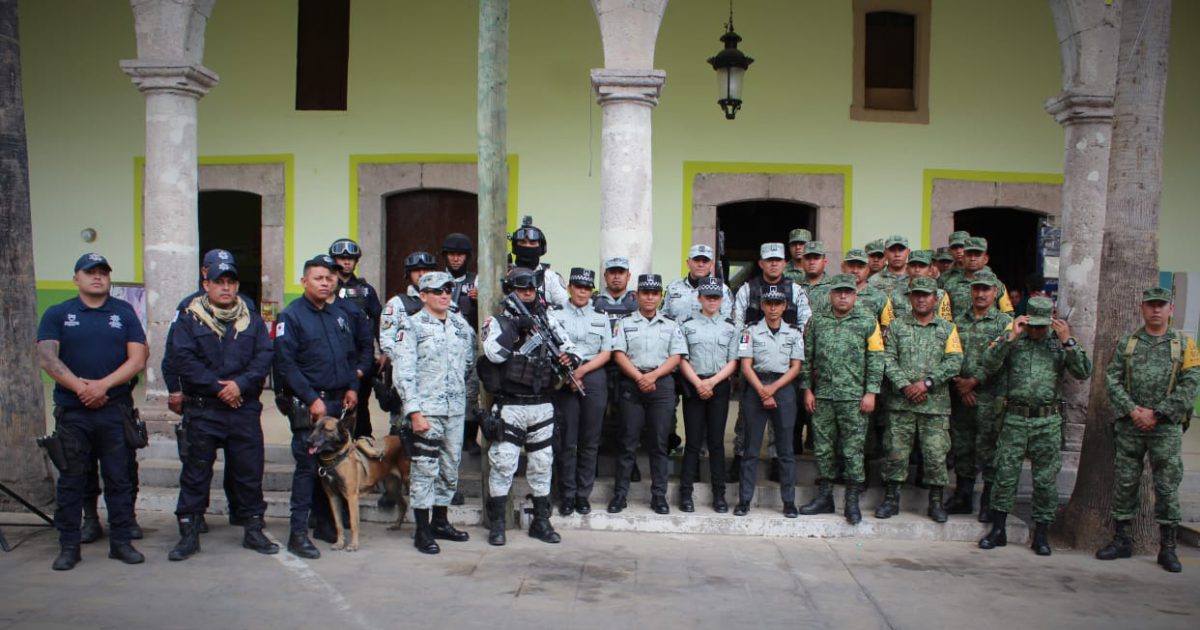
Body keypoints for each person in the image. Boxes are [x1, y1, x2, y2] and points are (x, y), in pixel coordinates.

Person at [37, 253, 148, 570]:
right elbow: (47, 358)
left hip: (115, 411)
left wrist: (102, 386)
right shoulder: (59, 313)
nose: (97, 277)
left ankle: (121, 542)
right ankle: (69, 546)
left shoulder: (124, 312)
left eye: (102, 272)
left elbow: (137, 359)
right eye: (90, 272)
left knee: (120, 479)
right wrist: (81, 388)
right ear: (76, 278)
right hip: (74, 413)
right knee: (72, 480)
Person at [164, 256, 278, 560]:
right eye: (219, 282)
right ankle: (189, 532)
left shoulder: (251, 319)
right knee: (196, 473)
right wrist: (219, 388)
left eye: (231, 282)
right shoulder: (190, 318)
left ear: (237, 285)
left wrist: (239, 385)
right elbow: (182, 359)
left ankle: (253, 529)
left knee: (249, 472)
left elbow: (264, 356)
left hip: (242, 409)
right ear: (206, 284)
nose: (226, 288)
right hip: (204, 410)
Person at [1095, 287, 1200, 573]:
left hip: (1165, 429)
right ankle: (1121, 540)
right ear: (1142, 308)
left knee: (1166, 487)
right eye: (1151, 305)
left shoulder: (1184, 344)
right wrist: (1133, 410)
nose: (1156, 310)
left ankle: (1168, 548)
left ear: (1170, 309)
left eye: (1161, 305)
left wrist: (1158, 413)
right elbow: (1112, 379)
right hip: (1131, 426)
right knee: (1125, 484)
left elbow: (1191, 383)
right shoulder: (1128, 343)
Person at [978, 297, 1091, 555]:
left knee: (1045, 479)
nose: (1038, 331)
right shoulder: (1014, 339)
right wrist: (1010, 337)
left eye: (1042, 326)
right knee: (1004, 474)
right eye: (1034, 326)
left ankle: (1041, 534)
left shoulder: (1058, 343)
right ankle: (998, 529)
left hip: (1047, 421)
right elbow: (988, 362)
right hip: (1014, 418)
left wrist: (1068, 341)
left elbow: (1083, 371)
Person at [479, 267, 578, 545]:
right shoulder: (498, 322)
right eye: (521, 290)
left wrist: (570, 360)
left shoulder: (547, 320)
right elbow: (493, 354)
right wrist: (515, 328)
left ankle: (541, 521)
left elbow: (571, 349)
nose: (527, 294)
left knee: (542, 463)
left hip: (542, 404)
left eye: (531, 290)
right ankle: (498, 524)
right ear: (510, 291)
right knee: (503, 463)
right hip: (510, 405)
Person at [272, 254, 360, 559]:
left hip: (337, 401)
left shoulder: (338, 315)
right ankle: (298, 533)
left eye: (329, 278)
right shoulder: (292, 316)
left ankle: (326, 526)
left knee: (332, 467)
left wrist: (352, 387)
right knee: (308, 469)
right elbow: (286, 364)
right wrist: (312, 399)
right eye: (319, 278)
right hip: (310, 406)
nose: (326, 282)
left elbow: (348, 357)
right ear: (304, 281)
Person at [395, 271, 477, 554]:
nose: (444, 295)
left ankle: (441, 522)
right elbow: (404, 374)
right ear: (423, 295)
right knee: (424, 469)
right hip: (427, 412)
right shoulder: (412, 326)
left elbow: (469, 364)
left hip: (454, 410)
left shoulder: (460, 326)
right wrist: (414, 412)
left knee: (450, 467)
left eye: (448, 290)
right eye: (437, 290)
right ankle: (422, 529)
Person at [876, 276, 963, 523]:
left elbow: (955, 361)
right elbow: (886, 358)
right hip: (900, 403)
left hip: (934, 406)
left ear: (935, 299)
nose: (922, 299)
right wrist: (905, 385)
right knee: (895, 453)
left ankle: (936, 503)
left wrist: (926, 383)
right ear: (910, 297)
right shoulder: (896, 326)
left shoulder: (947, 329)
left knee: (936, 455)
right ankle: (891, 500)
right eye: (917, 294)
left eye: (926, 295)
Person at [798, 274, 884, 525]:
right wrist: (807, 389)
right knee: (824, 449)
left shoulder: (868, 322)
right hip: (823, 396)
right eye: (838, 292)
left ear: (855, 295)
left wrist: (871, 392)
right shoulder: (818, 322)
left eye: (848, 292)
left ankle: (852, 501)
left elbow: (876, 359)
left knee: (853, 451)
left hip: (854, 398)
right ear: (831, 295)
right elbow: (808, 358)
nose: (843, 296)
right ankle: (825, 498)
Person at [730, 242, 811, 479]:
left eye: (778, 259)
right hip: (752, 363)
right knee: (746, 416)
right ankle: (739, 457)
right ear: (761, 263)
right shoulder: (748, 289)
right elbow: (737, 325)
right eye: (769, 260)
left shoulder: (795, 290)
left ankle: (777, 461)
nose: (774, 263)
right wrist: (739, 360)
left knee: (781, 419)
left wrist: (797, 353)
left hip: (785, 365)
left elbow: (806, 323)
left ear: (784, 263)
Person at [608, 274, 686, 515]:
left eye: (654, 293)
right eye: (645, 293)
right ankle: (620, 495)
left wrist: (651, 377)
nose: (650, 297)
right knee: (627, 442)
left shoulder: (672, 325)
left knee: (659, 444)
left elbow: (676, 356)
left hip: (661, 385)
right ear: (637, 295)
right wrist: (640, 377)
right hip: (633, 382)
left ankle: (659, 496)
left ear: (660, 296)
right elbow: (618, 353)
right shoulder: (624, 323)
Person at [944, 271, 1012, 522]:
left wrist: (973, 382)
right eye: (977, 289)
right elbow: (949, 353)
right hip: (961, 396)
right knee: (962, 446)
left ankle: (988, 501)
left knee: (989, 449)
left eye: (986, 289)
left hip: (989, 397)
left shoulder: (1004, 323)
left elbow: (1002, 359)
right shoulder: (957, 322)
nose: (981, 294)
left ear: (996, 292)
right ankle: (963, 495)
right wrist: (960, 385)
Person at [734, 286, 804, 517]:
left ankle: (789, 502)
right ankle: (744, 500)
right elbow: (745, 365)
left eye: (778, 304)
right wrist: (763, 390)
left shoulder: (794, 333)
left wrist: (772, 389)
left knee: (785, 450)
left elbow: (796, 368)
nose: (773, 308)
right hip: (756, 386)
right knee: (750, 449)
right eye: (769, 303)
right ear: (762, 305)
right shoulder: (750, 331)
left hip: (783, 388)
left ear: (785, 306)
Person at [549, 268, 612, 516]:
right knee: (567, 441)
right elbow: (551, 348)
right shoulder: (554, 315)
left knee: (590, 440)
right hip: (564, 379)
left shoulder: (601, 316)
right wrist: (569, 375)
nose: (582, 292)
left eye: (587, 288)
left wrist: (582, 372)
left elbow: (606, 352)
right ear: (570, 288)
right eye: (578, 287)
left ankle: (582, 495)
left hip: (593, 376)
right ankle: (566, 494)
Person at [677, 277, 739, 513]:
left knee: (716, 442)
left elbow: (734, 361)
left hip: (719, 385)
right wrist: (698, 383)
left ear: (722, 300)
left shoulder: (730, 327)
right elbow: (682, 358)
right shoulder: (687, 325)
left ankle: (719, 495)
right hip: (694, 384)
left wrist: (711, 382)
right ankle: (686, 494)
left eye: (716, 297)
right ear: (699, 298)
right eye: (707, 297)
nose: (712, 301)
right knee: (692, 442)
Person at [591, 256, 641, 481]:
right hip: (600, 366)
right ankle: (594, 464)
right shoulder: (593, 301)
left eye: (621, 272)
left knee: (628, 421)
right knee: (596, 418)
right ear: (605, 276)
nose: (617, 276)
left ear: (628, 276)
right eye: (612, 272)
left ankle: (631, 466)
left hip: (628, 369)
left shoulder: (638, 302)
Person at [330, 238, 383, 439]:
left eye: (350, 259)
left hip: (361, 357)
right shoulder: (326, 286)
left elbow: (379, 321)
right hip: (334, 356)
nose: (346, 262)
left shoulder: (366, 290)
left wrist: (384, 351)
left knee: (361, 405)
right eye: (342, 258)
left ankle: (362, 445)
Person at [663, 244, 734, 323]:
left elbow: (726, 323)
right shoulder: (673, 287)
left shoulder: (722, 290)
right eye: (696, 260)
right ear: (688, 263)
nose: (700, 264)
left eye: (705, 261)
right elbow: (663, 317)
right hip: (676, 334)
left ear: (712, 264)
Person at [946, 237, 1014, 318]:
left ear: (985, 259)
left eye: (977, 255)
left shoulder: (997, 285)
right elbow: (944, 318)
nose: (972, 259)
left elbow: (1008, 315)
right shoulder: (950, 284)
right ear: (963, 258)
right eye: (969, 255)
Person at [509, 215, 569, 307]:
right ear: (515, 247)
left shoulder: (551, 278)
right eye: (523, 243)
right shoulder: (504, 273)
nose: (527, 246)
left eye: (532, 243)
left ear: (541, 248)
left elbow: (564, 307)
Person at [887, 250, 953, 322]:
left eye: (922, 266)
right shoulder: (894, 295)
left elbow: (945, 324)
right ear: (907, 269)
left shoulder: (940, 295)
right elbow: (890, 325)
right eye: (913, 266)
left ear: (930, 269)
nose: (917, 270)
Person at [842, 248, 892, 325]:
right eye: (851, 266)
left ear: (868, 269)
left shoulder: (881, 298)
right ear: (843, 267)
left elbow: (888, 327)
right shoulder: (830, 293)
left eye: (860, 267)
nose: (855, 270)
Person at [441, 232, 479, 329]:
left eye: (460, 255)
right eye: (451, 254)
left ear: (468, 257)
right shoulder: (436, 280)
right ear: (445, 256)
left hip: (469, 339)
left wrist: (481, 301)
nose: (456, 259)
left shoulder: (477, 280)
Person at [796, 240, 832, 313]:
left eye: (816, 258)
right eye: (808, 258)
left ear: (825, 261)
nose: (812, 262)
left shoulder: (834, 287)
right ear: (802, 262)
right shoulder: (795, 287)